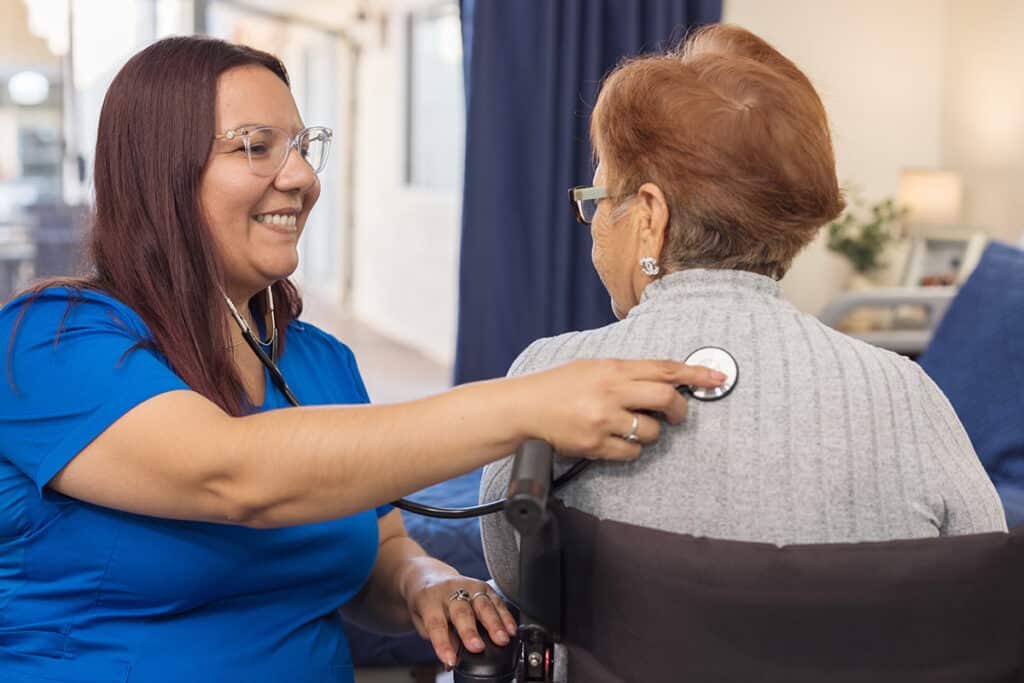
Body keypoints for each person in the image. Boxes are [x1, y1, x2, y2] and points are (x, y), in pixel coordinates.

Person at [0, 37, 726, 682]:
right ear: (160, 173)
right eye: (256, 147)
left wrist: (421, 583)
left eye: (301, 145)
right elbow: (233, 475)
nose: (300, 177)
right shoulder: (50, 343)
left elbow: (374, 546)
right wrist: (526, 404)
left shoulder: (319, 361)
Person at [480, 23, 1007, 603]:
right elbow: (982, 589)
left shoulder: (551, 375)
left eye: (598, 201)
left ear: (651, 216)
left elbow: (515, 576)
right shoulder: (907, 395)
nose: (595, 227)